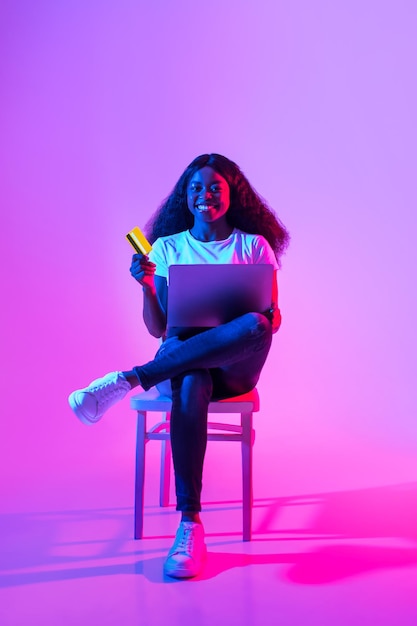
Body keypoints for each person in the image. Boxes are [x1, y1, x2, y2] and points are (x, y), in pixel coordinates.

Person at [68, 153, 289, 579]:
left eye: (214, 187)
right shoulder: (167, 249)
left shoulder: (252, 246)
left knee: (256, 324)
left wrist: (267, 316)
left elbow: (273, 318)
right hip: (183, 362)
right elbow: (158, 328)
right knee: (190, 379)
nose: (204, 195)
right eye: (195, 188)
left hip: (238, 365)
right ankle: (190, 526)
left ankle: (131, 379)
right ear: (184, 198)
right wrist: (148, 286)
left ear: (231, 195)